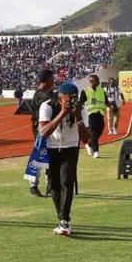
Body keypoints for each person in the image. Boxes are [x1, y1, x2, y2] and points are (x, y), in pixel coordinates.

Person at [38, 81, 92, 236]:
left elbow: (86, 139)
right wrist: (61, 113)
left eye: (72, 99)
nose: (69, 102)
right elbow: (43, 132)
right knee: (54, 185)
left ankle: (64, 220)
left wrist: (78, 117)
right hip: (51, 147)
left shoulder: (82, 109)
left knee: (67, 181)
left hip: (70, 147)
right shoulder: (48, 106)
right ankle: (61, 218)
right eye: (66, 99)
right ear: (60, 97)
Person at [27, 69, 56, 197]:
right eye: (52, 78)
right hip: (46, 129)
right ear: (48, 80)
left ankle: (35, 184)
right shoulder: (48, 96)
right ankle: (48, 185)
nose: (54, 81)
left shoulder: (37, 94)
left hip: (38, 129)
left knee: (39, 156)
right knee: (47, 157)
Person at [79, 74, 106, 159]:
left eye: (98, 79)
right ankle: (96, 151)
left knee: (100, 131)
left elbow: (106, 100)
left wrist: (111, 106)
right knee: (93, 133)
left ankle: (89, 144)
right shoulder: (85, 91)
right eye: (96, 80)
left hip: (100, 113)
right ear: (91, 81)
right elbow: (80, 103)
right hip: (90, 114)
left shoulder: (101, 90)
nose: (98, 81)